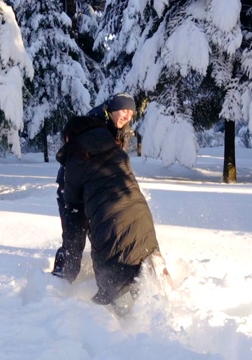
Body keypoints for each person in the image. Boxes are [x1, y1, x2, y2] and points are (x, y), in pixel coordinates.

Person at [56, 115, 168, 310]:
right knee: (147, 265)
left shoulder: (76, 160)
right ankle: (165, 297)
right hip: (142, 220)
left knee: (117, 301)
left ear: (70, 137)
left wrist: (67, 270)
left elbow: (74, 218)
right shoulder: (117, 150)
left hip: (112, 231)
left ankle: (128, 328)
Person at [51, 93, 136, 283]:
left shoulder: (118, 130)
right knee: (74, 239)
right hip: (73, 188)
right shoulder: (92, 126)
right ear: (112, 109)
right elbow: (76, 162)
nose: (127, 116)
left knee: (103, 237)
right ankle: (59, 283)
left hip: (98, 193)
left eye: (131, 113)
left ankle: (106, 282)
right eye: (124, 110)